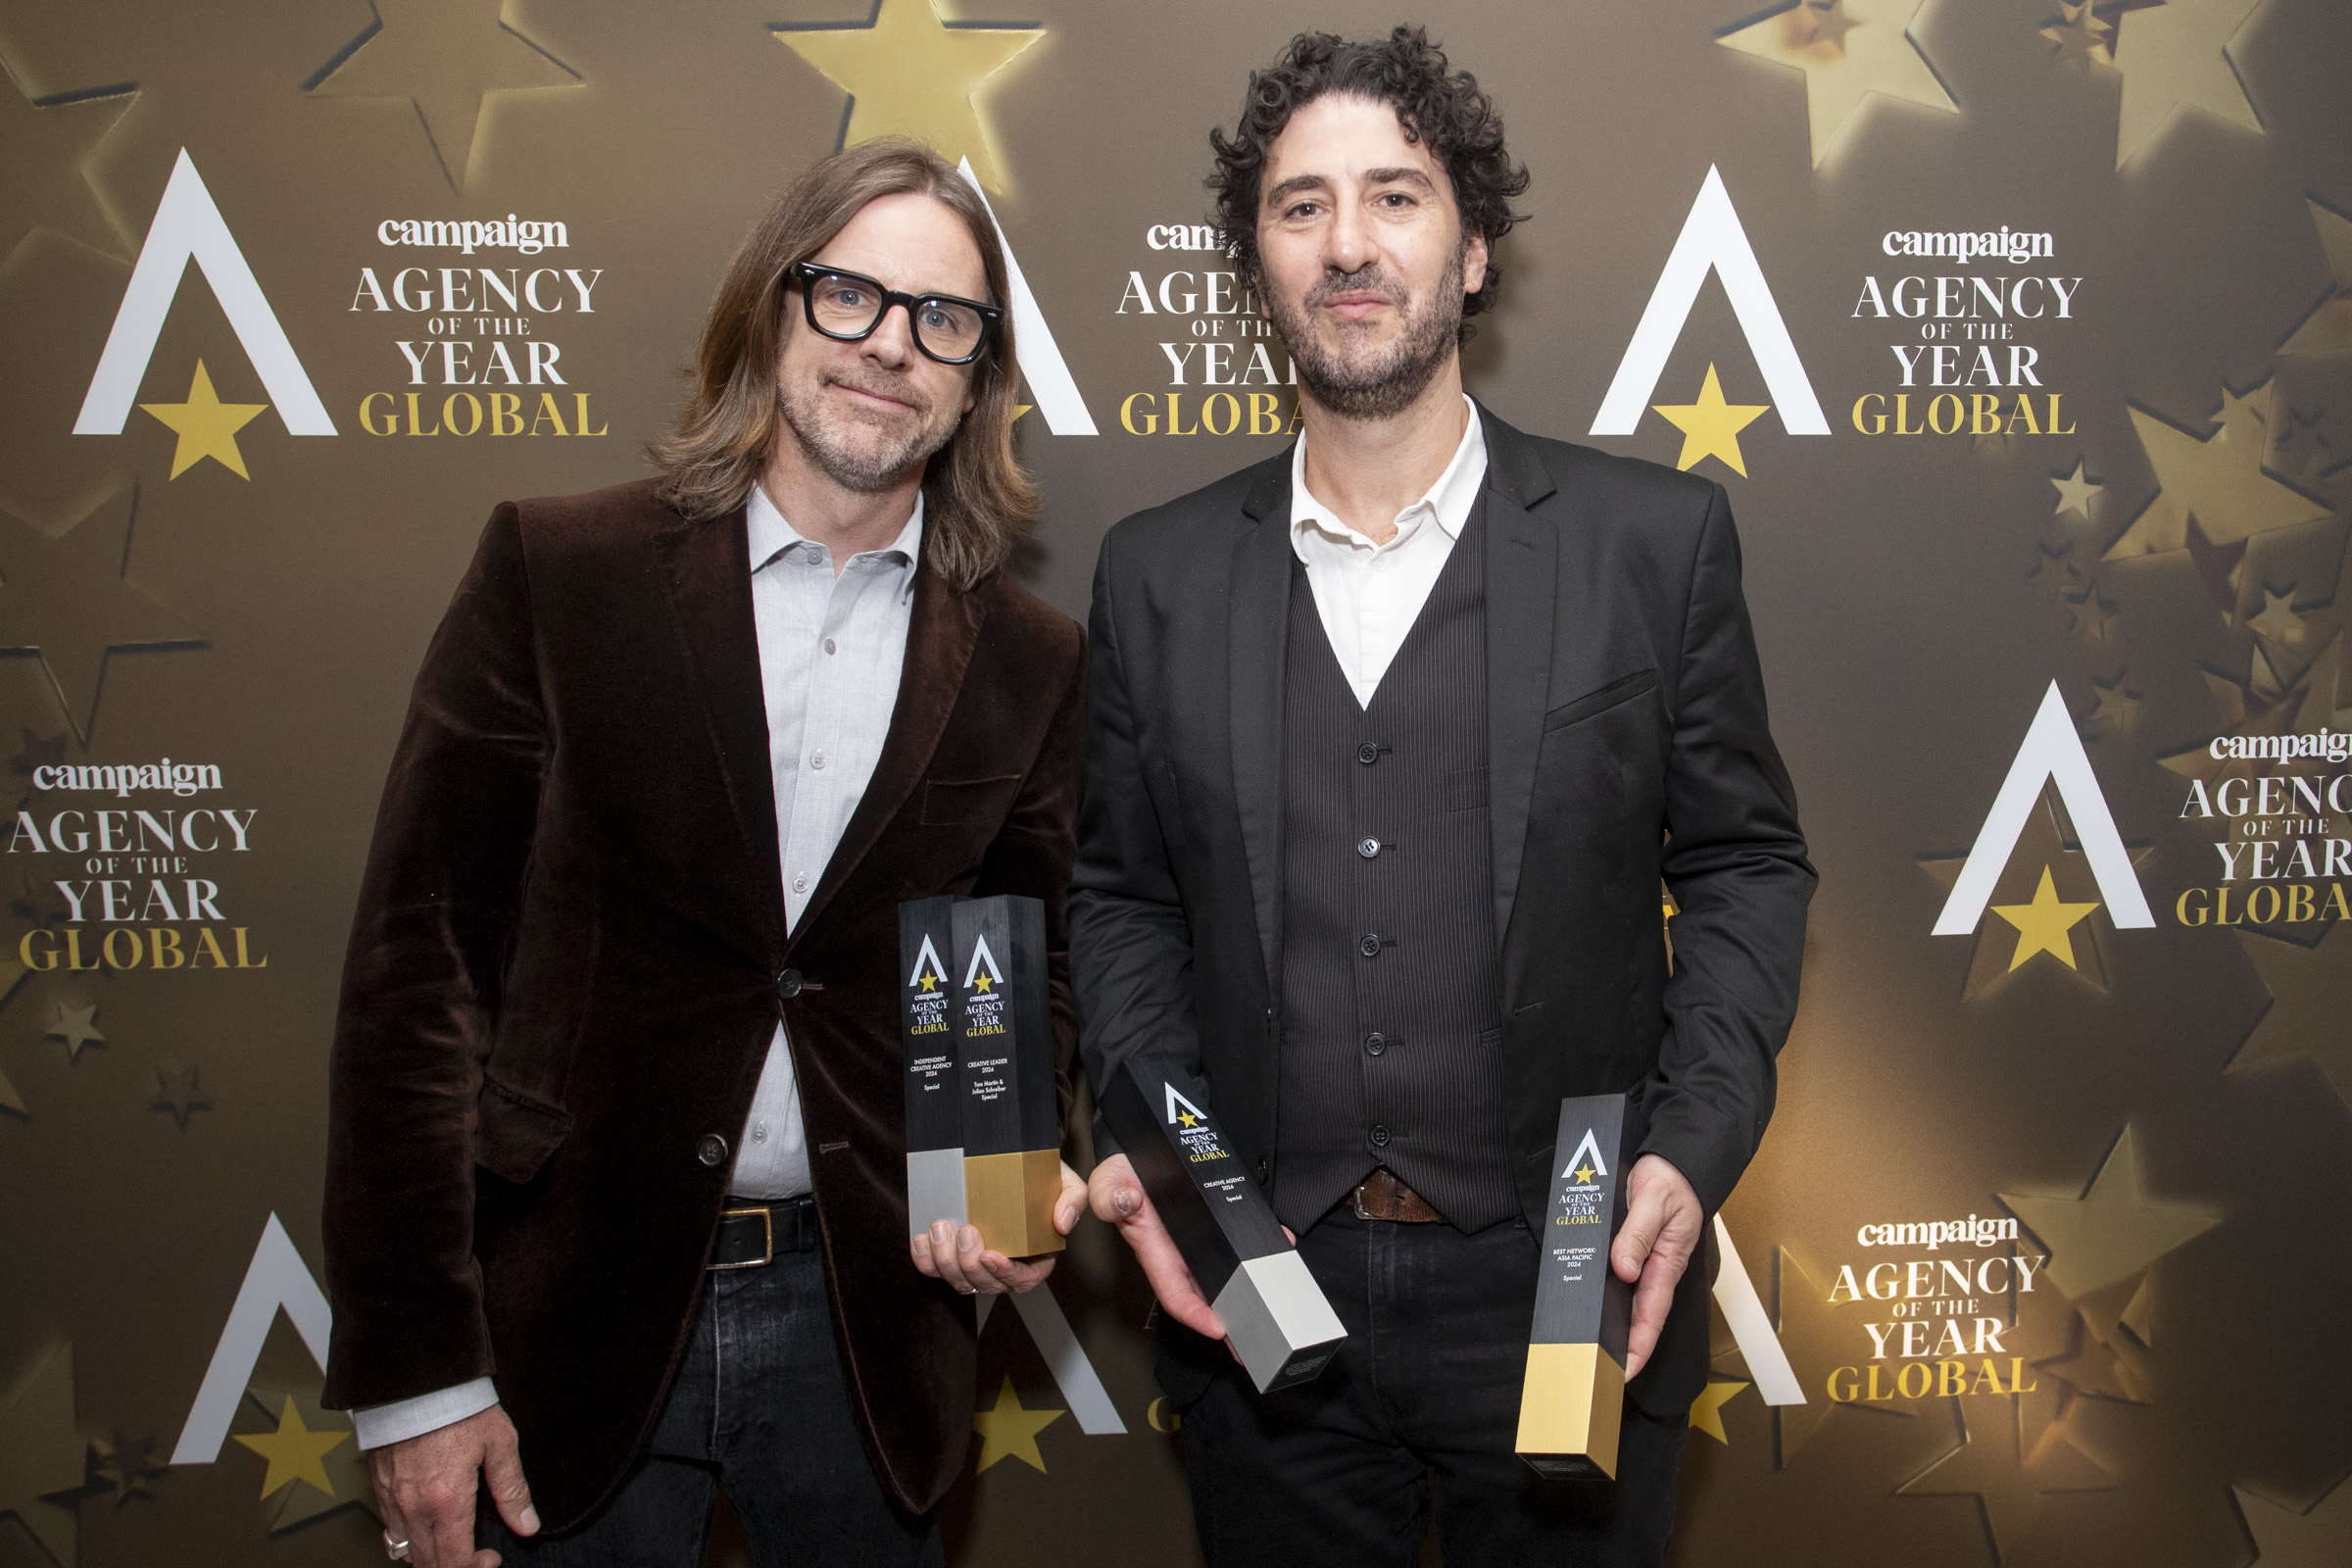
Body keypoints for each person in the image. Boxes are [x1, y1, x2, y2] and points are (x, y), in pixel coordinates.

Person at [1070, 28, 1814, 1568]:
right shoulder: (1156, 573)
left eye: (1395, 196)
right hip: (1261, 1289)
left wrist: (1690, 1145)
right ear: (1259, 267)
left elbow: (1745, 863)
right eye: (1302, 207)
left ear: (1472, 253)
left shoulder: (1651, 542)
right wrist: (1163, 1147)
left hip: (1567, 1282)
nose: (1348, 243)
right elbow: (1124, 901)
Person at [321, 137, 1089, 1568]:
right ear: (771, 306)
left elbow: (1019, 974)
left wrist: (1008, 1197)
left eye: (943, 318)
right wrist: (419, 1372)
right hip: (568, 1317)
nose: (891, 346)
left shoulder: (1030, 661)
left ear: (979, 374)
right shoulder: (558, 573)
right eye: (850, 294)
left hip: (871, 1332)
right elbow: (417, 980)